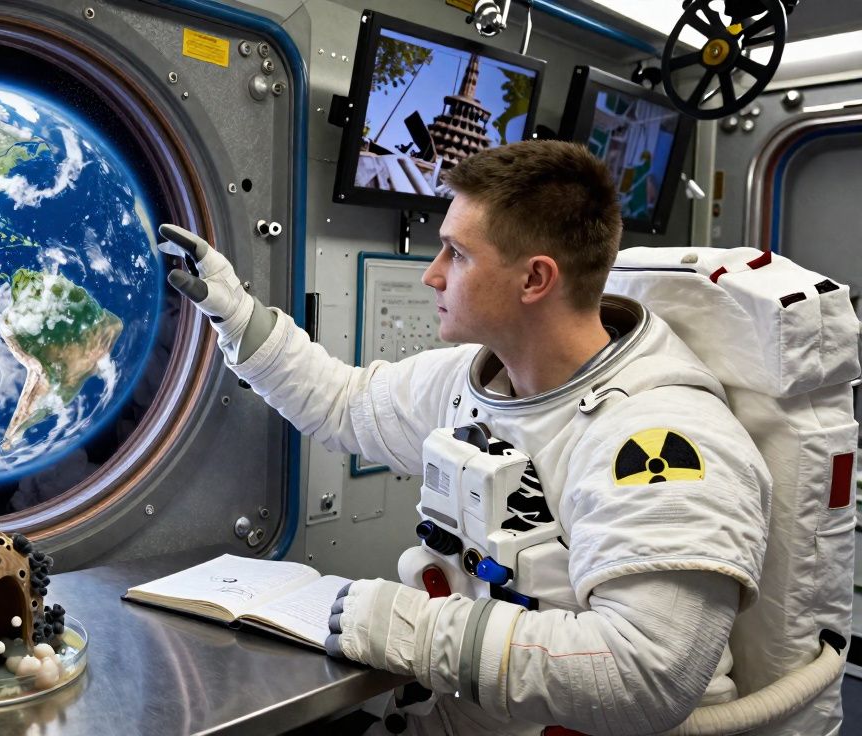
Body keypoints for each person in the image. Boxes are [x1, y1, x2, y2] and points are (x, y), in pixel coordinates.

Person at [157, 140, 773, 735]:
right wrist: (235, 313)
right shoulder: (472, 379)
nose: (431, 275)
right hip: (471, 714)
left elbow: (646, 676)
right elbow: (343, 404)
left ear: (535, 279)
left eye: (457, 253)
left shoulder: (659, 439)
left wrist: (418, 633)